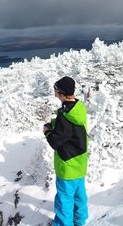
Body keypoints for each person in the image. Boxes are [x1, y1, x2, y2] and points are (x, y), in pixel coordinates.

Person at [42, 76, 88, 226]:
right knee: (79, 197)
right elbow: (71, 130)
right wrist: (56, 123)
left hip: (67, 166)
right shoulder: (78, 108)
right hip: (80, 164)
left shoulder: (65, 116)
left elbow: (56, 142)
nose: (54, 92)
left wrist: (47, 131)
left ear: (61, 93)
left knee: (64, 201)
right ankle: (79, 222)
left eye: (55, 90)